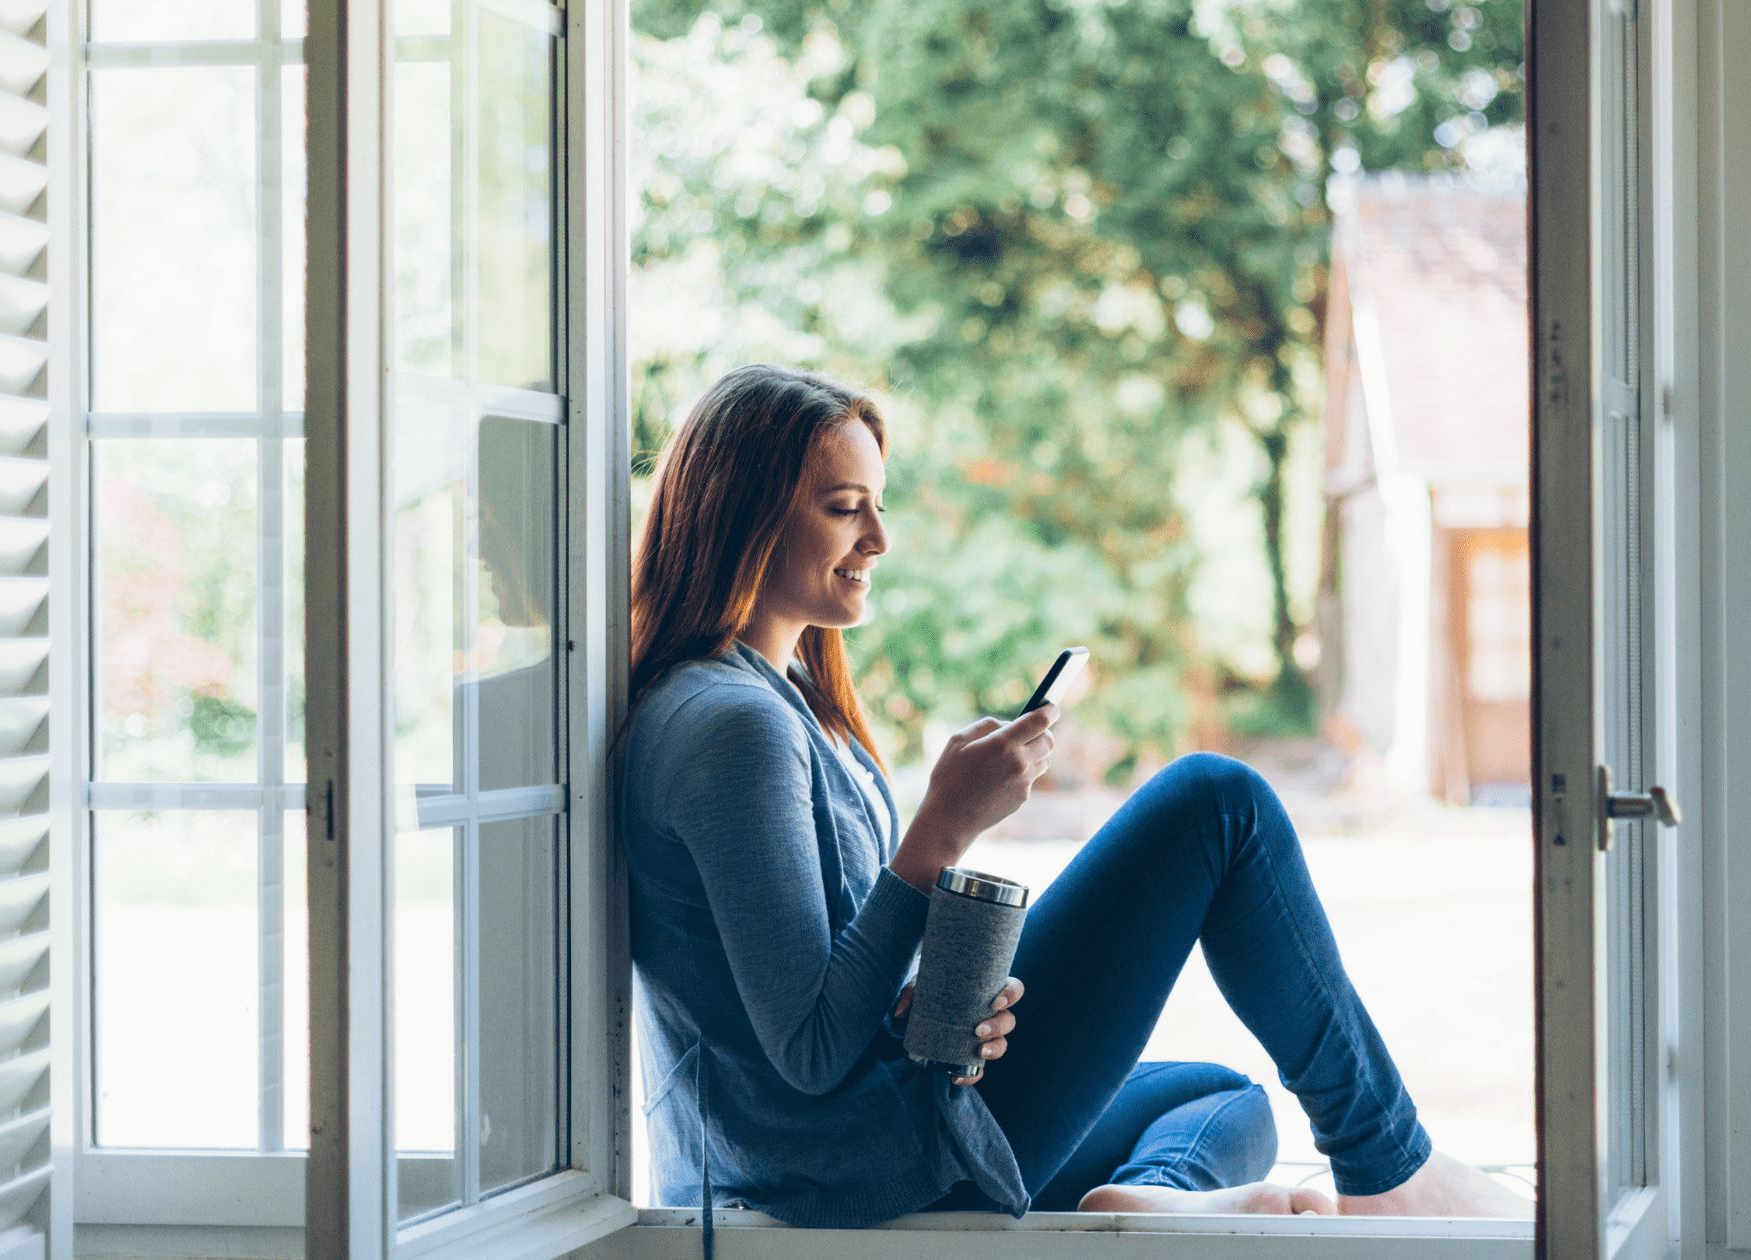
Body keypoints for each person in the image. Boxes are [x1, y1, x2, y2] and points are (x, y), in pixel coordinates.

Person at [620, 363, 1531, 1229]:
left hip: (859, 1131)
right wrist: (942, 829)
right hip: (856, 1171)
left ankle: (1143, 1198)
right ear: (744, 517)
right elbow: (812, 1051)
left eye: (879, 507)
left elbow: (807, 993)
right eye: (845, 509)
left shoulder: (769, 703)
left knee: (1221, 1099)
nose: (880, 541)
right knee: (1218, 803)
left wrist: (925, 1002)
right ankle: (1391, 1168)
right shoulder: (733, 729)